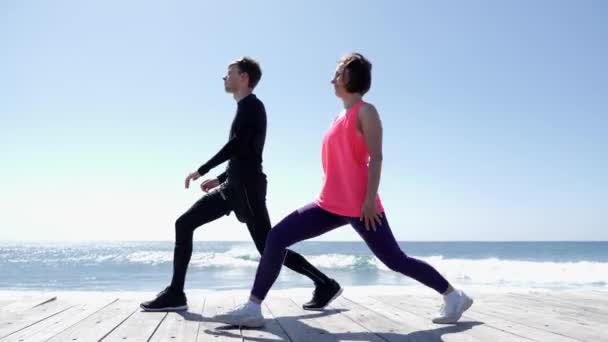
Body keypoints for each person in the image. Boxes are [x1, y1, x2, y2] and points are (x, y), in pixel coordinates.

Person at [214, 53, 473, 328]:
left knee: (395, 260)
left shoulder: (366, 111)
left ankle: (453, 296)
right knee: (276, 238)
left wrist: (371, 200)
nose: (332, 79)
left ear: (352, 77)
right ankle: (253, 308)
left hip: (362, 206)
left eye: (338, 74)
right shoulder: (339, 116)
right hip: (328, 204)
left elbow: (376, 157)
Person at [140, 57, 341, 312]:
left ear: (244, 77)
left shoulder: (253, 107)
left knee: (268, 247)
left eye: (229, 72)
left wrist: (203, 169)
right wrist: (222, 178)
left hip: (248, 190)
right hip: (231, 189)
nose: (224, 77)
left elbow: (238, 145)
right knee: (184, 223)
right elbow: (244, 152)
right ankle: (176, 293)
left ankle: (325, 283)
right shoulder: (244, 108)